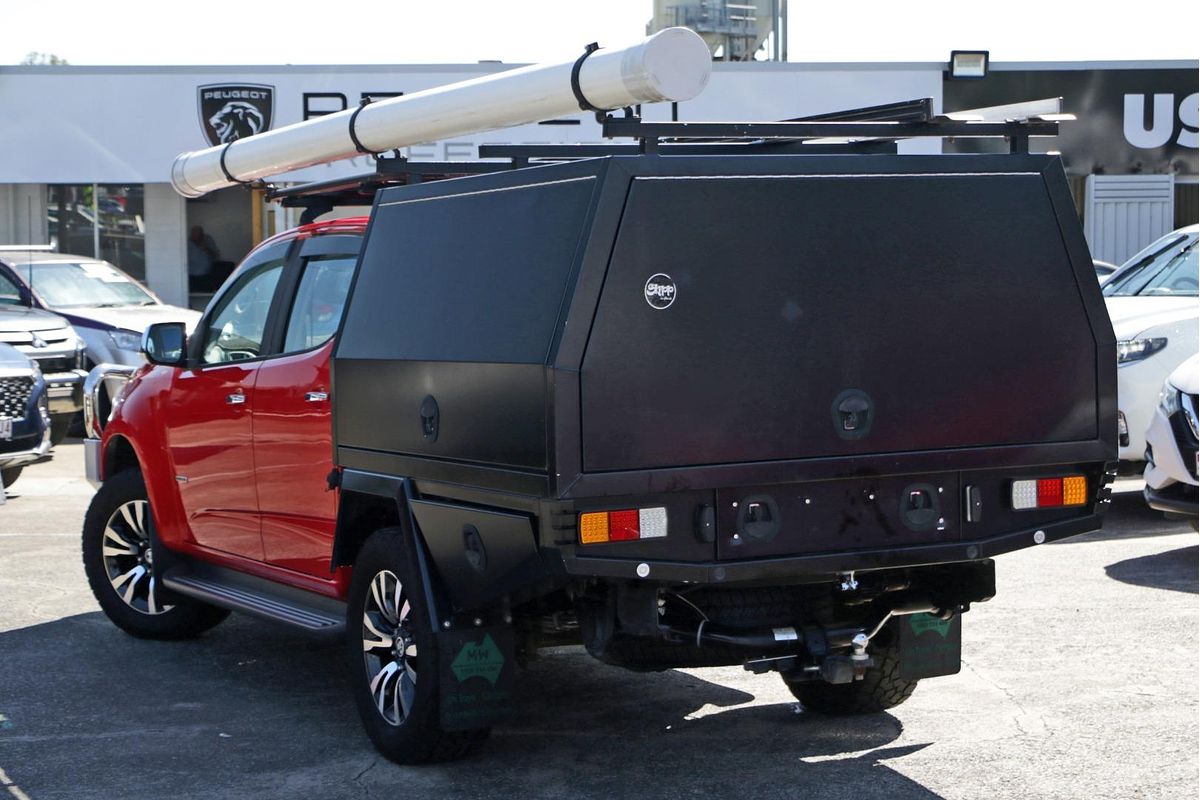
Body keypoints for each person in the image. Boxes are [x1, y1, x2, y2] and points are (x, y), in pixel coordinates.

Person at [187, 226, 233, 292]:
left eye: (198, 234)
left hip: (206, 274)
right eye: (193, 233)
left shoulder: (208, 240)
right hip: (192, 275)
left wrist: (205, 247)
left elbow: (216, 256)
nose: (195, 236)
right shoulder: (188, 243)